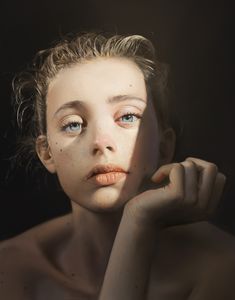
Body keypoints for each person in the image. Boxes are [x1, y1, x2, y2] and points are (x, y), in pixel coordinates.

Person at [0, 31, 235, 300]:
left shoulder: (222, 266)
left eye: (127, 116)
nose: (101, 143)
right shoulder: (9, 269)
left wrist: (138, 219)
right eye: (73, 124)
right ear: (47, 153)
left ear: (164, 146)